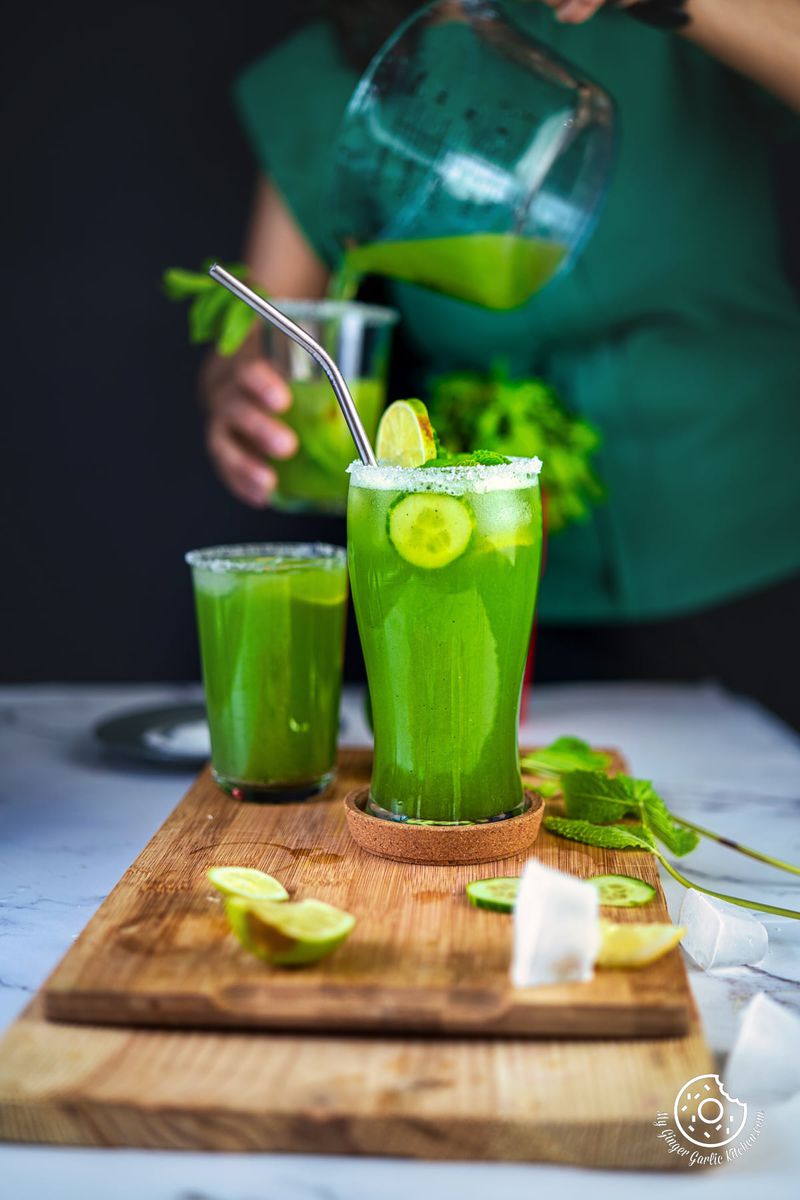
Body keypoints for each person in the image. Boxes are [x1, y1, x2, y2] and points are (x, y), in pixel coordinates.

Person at [200, 0, 800, 728]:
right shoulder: (320, 78)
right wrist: (241, 395)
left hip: (762, 543)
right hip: (496, 583)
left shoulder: (663, 30)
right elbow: (264, 332)